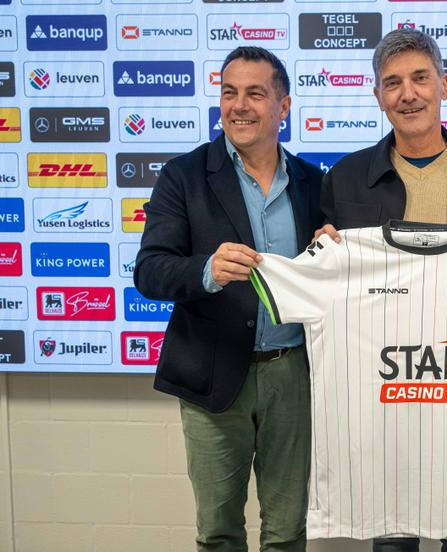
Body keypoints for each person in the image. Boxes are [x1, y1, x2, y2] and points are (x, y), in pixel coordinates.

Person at [316, 29, 447, 552]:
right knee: (391, 543)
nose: (407, 94)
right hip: (386, 405)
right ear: (378, 96)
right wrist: (322, 250)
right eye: (392, 83)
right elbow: (322, 284)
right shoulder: (344, 178)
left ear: (445, 86)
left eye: (420, 78)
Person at [134, 46, 323, 552]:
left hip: (294, 377)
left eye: (256, 94)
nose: (239, 106)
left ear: (283, 106)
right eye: (229, 93)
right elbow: (149, 271)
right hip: (212, 375)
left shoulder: (313, 182)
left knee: (287, 532)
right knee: (218, 533)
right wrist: (206, 270)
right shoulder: (184, 176)